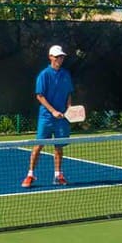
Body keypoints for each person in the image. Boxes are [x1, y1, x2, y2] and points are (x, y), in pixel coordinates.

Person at [22, 45, 74, 187]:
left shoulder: (66, 74)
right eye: (57, 57)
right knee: (39, 145)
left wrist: (69, 108)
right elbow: (40, 96)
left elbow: (69, 93)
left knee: (59, 146)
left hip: (61, 118)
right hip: (46, 117)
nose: (60, 59)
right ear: (50, 57)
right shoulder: (44, 75)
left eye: (62, 57)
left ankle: (58, 175)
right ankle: (30, 175)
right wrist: (53, 111)